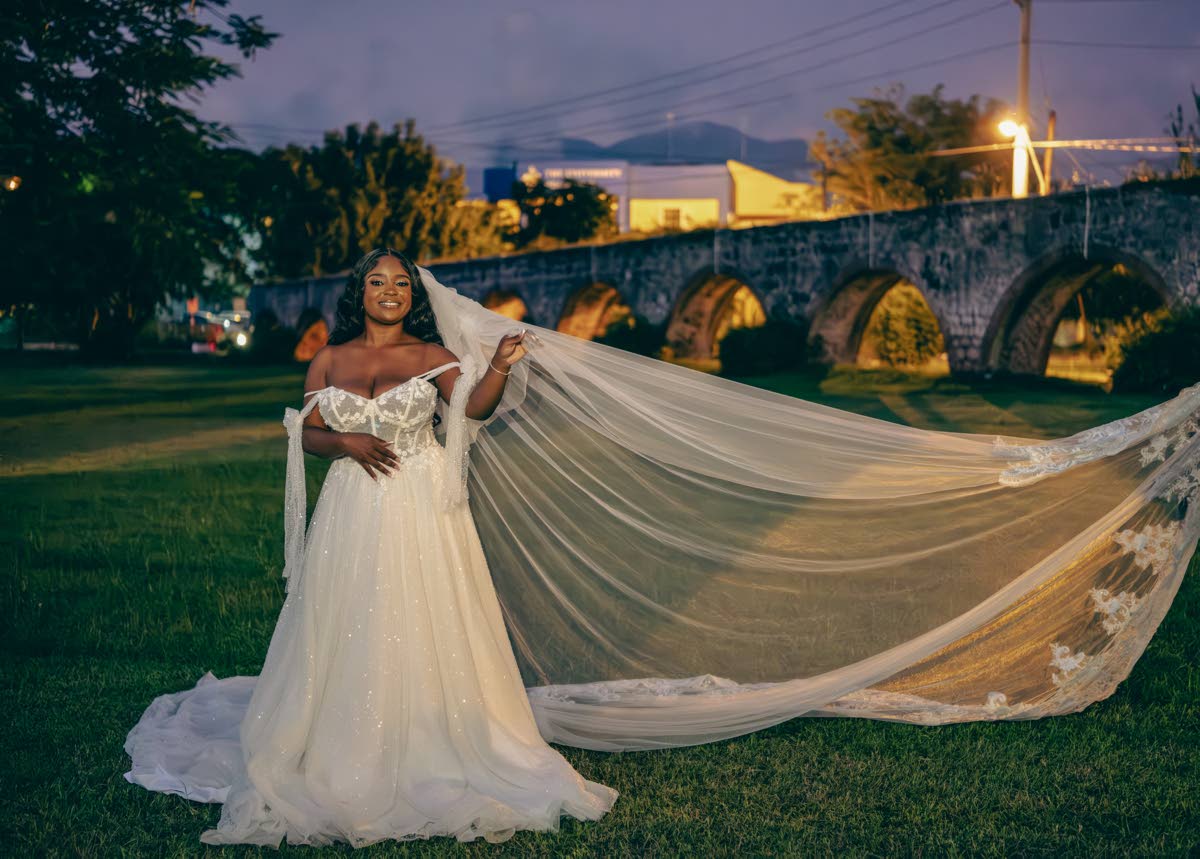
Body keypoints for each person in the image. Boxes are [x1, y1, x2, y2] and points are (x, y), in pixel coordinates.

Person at [126, 246, 1200, 844]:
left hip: (419, 517)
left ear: (414, 295)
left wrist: (499, 364)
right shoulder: (330, 363)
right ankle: (334, 733)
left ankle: (429, 733)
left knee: (424, 629)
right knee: (344, 626)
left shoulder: (434, 358)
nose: (391, 295)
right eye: (378, 284)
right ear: (357, 293)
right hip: (357, 512)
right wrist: (345, 443)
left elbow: (477, 416)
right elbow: (309, 432)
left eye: (402, 284)